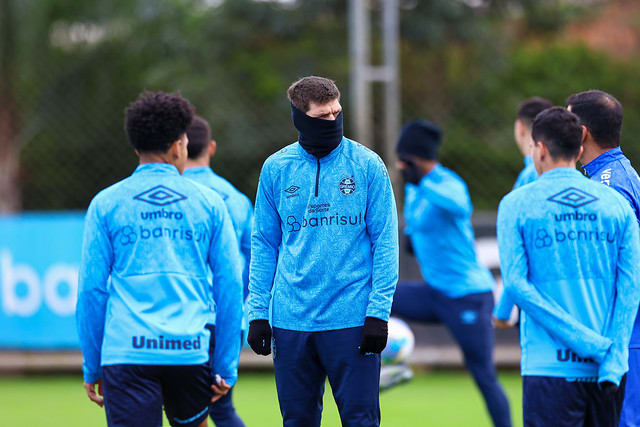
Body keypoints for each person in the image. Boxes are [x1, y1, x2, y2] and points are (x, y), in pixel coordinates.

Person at [76, 91, 243, 427]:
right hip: (189, 350)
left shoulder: (106, 203)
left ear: (136, 146)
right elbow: (230, 284)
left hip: (127, 353)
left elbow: (92, 291)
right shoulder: (210, 203)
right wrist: (226, 364)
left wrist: (92, 365)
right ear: (178, 145)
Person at [247, 76, 398, 427]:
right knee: (297, 421)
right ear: (301, 117)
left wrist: (378, 313)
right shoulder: (276, 169)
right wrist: (257, 312)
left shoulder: (367, 165)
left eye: (337, 113)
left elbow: (386, 242)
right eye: (323, 116)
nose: (333, 121)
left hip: (352, 320)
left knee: (361, 420)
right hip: (291, 321)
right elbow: (264, 244)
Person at [497, 106, 640, 426]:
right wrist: (613, 354)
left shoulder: (517, 203)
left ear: (541, 149)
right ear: (578, 149)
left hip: (549, 366)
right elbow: (631, 284)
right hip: (608, 370)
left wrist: (588, 345)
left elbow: (517, 285)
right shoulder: (615, 203)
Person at [392, 120, 512, 427]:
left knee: (483, 373)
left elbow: (459, 206)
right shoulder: (415, 187)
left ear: (416, 160)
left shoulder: (446, 183)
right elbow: (420, 226)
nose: (398, 166)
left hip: (468, 297)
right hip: (435, 292)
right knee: (368, 297)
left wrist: (424, 182)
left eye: (403, 160)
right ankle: (380, 369)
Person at [567, 89, 640, 427]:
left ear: (582, 133)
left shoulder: (609, 187)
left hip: (626, 336)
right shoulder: (614, 173)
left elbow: (618, 265)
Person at [183, 115, 252, 427]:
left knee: (177, 409)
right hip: (226, 318)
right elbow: (256, 260)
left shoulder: (172, 196)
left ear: (177, 148)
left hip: (184, 318)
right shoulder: (236, 199)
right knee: (221, 409)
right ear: (211, 147)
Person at [494, 96, 552, 328]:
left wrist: (504, 310)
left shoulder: (531, 176)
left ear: (520, 128)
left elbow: (521, 247)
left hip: (534, 294)